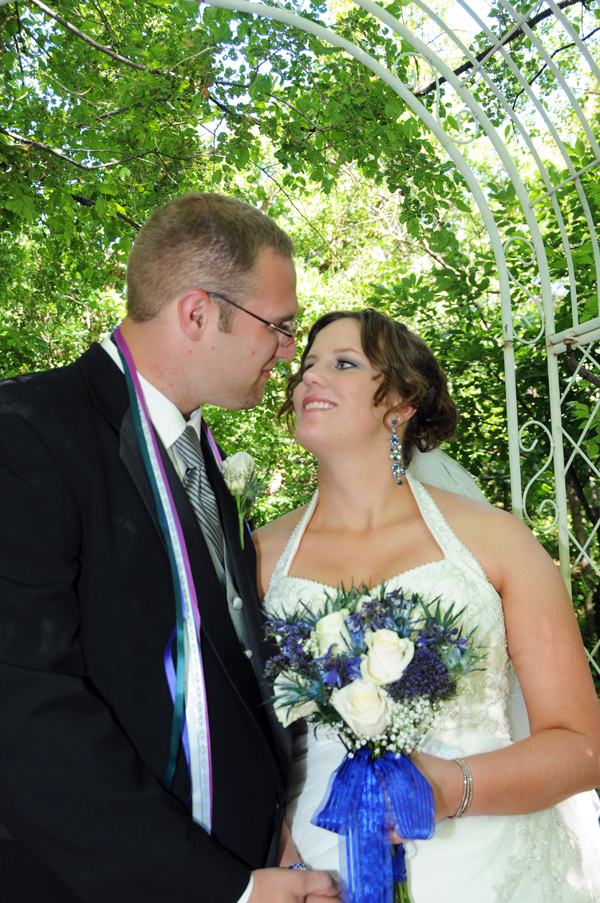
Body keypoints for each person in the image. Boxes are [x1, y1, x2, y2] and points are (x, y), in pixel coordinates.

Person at [0, 193, 340, 903]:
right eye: (277, 327)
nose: (288, 351)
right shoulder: (27, 434)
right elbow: (24, 710)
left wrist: (271, 817)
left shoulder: (200, 462)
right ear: (196, 313)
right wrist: (225, 890)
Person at [254, 308, 600, 902]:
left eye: (343, 364)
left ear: (402, 403)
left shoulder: (496, 541)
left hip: (494, 860)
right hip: (322, 860)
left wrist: (451, 789)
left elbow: (582, 744)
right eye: (306, 365)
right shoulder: (259, 556)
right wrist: (283, 858)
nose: (309, 377)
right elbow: (237, 745)